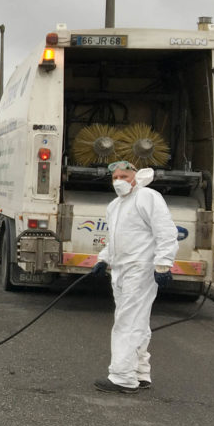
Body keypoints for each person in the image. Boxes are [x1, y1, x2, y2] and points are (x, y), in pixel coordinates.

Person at [88, 160, 178, 393]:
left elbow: (165, 230)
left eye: (124, 177)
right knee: (136, 321)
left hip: (140, 268)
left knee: (126, 322)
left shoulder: (147, 197)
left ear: (135, 178)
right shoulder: (115, 205)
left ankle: (122, 377)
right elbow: (115, 238)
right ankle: (139, 372)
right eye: (115, 178)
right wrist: (103, 259)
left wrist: (163, 264)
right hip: (120, 269)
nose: (119, 182)